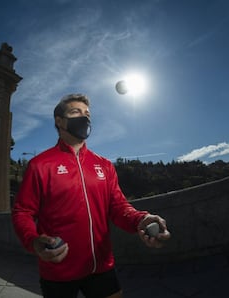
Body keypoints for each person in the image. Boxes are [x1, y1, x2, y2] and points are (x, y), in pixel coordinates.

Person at [12, 94, 171, 298]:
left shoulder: (104, 165)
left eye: (87, 114)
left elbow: (119, 207)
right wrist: (33, 241)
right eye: (75, 112)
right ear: (59, 121)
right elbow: (22, 211)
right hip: (57, 269)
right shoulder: (40, 165)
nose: (84, 118)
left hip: (102, 266)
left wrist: (141, 219)